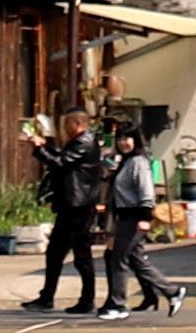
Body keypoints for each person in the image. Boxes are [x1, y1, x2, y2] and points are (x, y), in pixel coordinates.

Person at [93, 125, 174, 316]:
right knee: (135, 259)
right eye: (120, 139)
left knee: (118, 258)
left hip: (135, 216)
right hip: (123, 215)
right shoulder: (126, 161)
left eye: (127, 138)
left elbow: (146, 191)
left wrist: (146, 217)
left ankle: (118, 304)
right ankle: (170, 292)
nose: (123, 143)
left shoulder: (139, 162)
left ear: (136, 140)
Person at [25, 110, 92, 317]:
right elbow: (62, 158)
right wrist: (45, 147)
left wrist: (39, 149)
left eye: (67, 124)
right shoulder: (77, 143)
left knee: (79, 256)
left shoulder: (85, 142)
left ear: (78, 123)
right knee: (59, 253)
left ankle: (84, 299)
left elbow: (61, 163)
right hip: (71, 206)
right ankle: (48, 297)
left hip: (77, 207)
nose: (65, 129)